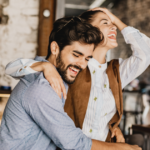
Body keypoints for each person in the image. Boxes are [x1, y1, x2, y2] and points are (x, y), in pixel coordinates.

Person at [4, 9, 143, 150]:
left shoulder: (63, 75)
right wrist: (126, 148)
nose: (82, 65)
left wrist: (113, 127)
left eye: (87, 59)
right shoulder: (42, 87)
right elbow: (74, 143)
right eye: (76, 55)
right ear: (55, 48)